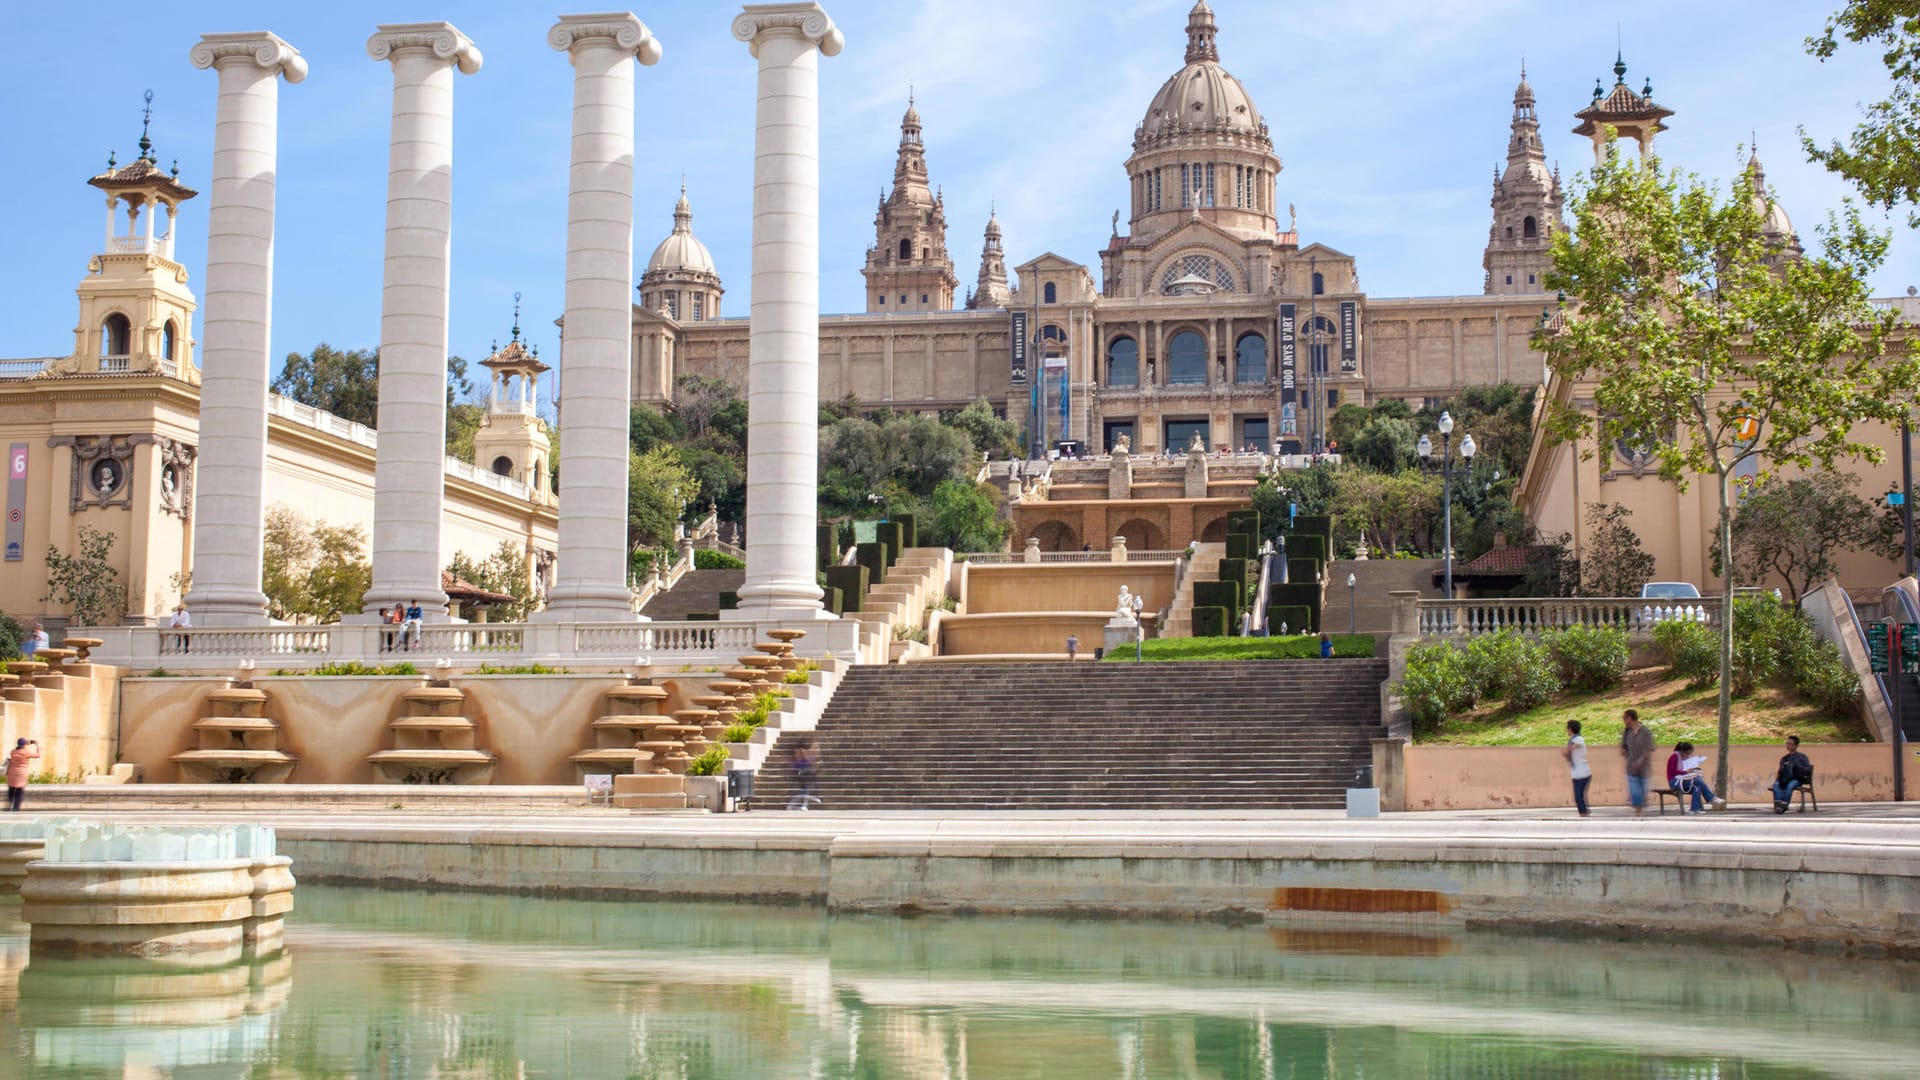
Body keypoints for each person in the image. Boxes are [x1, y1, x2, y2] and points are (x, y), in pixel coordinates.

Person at [1666, 740, 1724, 814]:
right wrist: (1686, 772)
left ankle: (1695, 809)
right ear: (1682, 752)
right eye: (1687, 754)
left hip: (1681, 780)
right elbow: (1673, 772)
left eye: (1689, 754)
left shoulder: (1680, 758)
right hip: (1674, 782)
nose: (1688, 756)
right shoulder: (1674, 756)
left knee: (1697, 787)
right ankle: (1712, 799)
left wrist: (1691, 770)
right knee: (1698, 780)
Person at [1620, 709, 1655, 816]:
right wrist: (1624, 751)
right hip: (1631, 768)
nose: (1623, 721)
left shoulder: (1646, 732)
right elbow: (1624, 748)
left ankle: (1640, 810)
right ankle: (1638, 814)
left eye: (1624, 718)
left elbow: (1649, 748)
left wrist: (1640, 760)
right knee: (1635, 792)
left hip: (1644, 768)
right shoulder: (1627, 732)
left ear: (1630, 718)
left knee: (1642, 793)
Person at [1771, 735, 1814, 813]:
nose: (1788, 745)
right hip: (1785, 778)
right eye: (1787, 743)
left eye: (1790, 743)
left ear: (1796, 745)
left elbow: (1807, 770)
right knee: (1776, 785)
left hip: (1796, 778)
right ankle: (1780, 804)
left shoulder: (1802, 757)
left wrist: (1796, 766)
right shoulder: (1784, 758)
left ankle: (1783, 805)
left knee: (1790, 785)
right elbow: (1780, 771)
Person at [1564, 719, 1592, 817]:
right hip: (1577, 773)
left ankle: (1584, 814)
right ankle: (1584, 813)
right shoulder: (1573, 740)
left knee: (1578, 797)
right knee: (1579, 796)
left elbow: (1569, 751)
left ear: (1570, 729)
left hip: (1582, 773)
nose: (1566, 731)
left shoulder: (1578, 739)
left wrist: (1567, 751)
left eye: (1567, 728)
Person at [786, 737, 821, 811]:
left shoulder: (804, 759)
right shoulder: (799, 760)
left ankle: (803, 805)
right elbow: (797, 767)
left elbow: (808, 766)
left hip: (805, 776)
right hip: (802, 777)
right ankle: (796, 805)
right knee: (804, 792)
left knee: (805, 791)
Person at [6, 738, 39, 811]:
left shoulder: (13, 752)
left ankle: (8, 806)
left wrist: (7, 772)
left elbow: (10, 761)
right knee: (19, 790)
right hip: (21, 774)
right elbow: (38, 755)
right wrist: (37, 744)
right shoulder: (26, 753)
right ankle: (16, 808)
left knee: (11, 789)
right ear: (24, 745)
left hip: (12, 773)